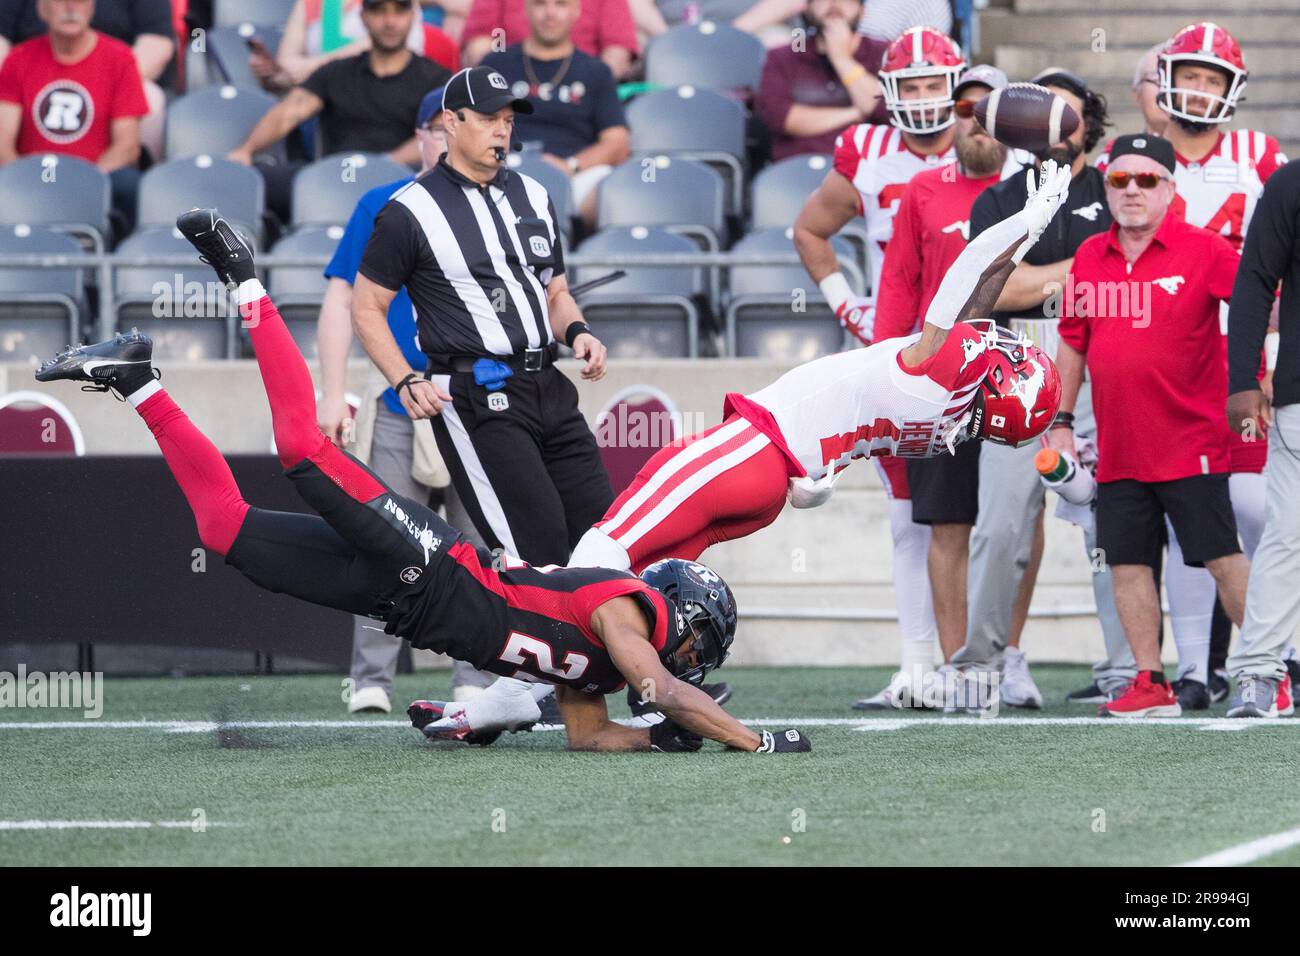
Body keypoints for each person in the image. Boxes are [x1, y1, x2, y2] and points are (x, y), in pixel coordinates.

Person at [33, 209, 810, 755]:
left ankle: (137, 382)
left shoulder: (608, 665)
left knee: (224, 530)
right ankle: (243, 277)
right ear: (668, 599)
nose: (695, 653)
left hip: (401, 602)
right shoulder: (624, 608)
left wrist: (657, 746)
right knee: (302, 446)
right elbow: (669, 691)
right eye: (701, 633)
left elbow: (591, 736)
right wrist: (753, 740)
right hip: (433, 564)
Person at [446, 159, 1070, 740]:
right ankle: (550, 689)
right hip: (775, 488)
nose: (1005, 350)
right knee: (638, 585)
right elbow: (980, 300)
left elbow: (968, 274)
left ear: (997, 384)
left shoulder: (941, 371)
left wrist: (1028, 219)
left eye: (1012, 364)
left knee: (601, 550)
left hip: (752, 450)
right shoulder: (955, 416)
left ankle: (510, 686)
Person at [1097, 22, 1289, 709]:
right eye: (1191, 76)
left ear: (1233, 89)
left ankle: (1273, 653)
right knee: (1172, 519)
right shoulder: (1135, 161)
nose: (1201, 91)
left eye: (1215, 79)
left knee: (1251, 509)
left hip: (1240, 356)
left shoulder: (1260, 154)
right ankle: (1193, 669)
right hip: (1158, 363)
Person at [353, 66, 613, 569]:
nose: (502, 131)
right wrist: (404, 378)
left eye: (509, 120)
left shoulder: (534, 194)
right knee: (537, 553)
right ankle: (536, 646)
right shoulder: (409, 210)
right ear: (451, 121)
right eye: (489, 119)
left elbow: (555, 291)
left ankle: (598, 646)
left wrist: (578, 331)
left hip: (548, 384)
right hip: (477, 393)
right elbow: (365, 306)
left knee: (603, 536)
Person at [1052, 134, 1255, 719]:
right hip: (1118, 446)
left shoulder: (1207, 250)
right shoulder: (1090, 255)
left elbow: (1258, 309)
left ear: (1170, 188)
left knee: (1220, 556)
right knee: (1127, 562)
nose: (1132, 191)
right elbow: (1072, 344)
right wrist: (1061, 422)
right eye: (1120, 180)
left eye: (1146, 180)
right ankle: (1150, 681)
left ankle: (1271, 667)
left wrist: (1257, 382)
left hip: (1192, 441)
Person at [791, 27, 964, 707]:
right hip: (899, 353)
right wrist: (848, 307)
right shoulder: (867, 150)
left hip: (974, 351)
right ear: (888, 92)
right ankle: (918, 664)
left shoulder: (985, 147)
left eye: (933, 85)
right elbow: (810, 228)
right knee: (907, 515)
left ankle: (999, 663)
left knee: (1004, 517)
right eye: (911, 86)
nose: (923, 101)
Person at [948, 69, 1122, 708]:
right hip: (1016, 368)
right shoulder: (998, 200)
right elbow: (995, 291)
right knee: (997, 527)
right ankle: (980, 664)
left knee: (1112, 528)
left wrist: (1043, 279)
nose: (1055, 123)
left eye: (1067, 112)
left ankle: (1128, 670)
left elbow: (1111, 288)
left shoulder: (1116, 189)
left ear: (1089, 124)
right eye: (1042, 110)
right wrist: (1089, 268)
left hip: (1104, 365)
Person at [315, 87, 493, 712]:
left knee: (479, 547)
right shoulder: (381, 203)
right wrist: (333, 393)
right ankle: (371, 679)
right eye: (440, 126)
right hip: (399, 392)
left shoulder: (495, 202)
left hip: (475, 394)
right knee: (388, 538)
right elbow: (342, 299)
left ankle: (478, 675)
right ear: (423, 135)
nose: (449, 137)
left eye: (462, 125)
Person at [864, 63, 1019, 708]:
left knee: (1013, 527)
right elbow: (899, 286)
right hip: (941, 378)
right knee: (946, 525)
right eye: (964, 109)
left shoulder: (1034, 187)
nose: (974, 120)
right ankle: (960, 669)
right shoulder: (923, 190)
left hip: (1016, 379)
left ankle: (1008, 658)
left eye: (989, 110)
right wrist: (886, 374)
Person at [228, 0, 452, 223]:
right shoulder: (337, 71)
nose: (389, 21)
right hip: (332, 178)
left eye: (399, 11)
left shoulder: (436, 78)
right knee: (254, 180)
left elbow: (438, 135)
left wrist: (383, 164)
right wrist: (246, 150)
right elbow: (291, 111)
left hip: (402, 183)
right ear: (363, 16)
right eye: (379, 11)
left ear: (413, 16)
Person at [1225, 159, 1300, 717]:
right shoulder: (1290, 182)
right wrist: (1242, 380)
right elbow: (1253, 278)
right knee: (1288, 533)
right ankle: (1258, 671)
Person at [0, 0, 148, 231]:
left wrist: (85, 181)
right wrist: (24, 179)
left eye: (79, 1)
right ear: (42, 9)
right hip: (32, 178)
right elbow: (3, 141)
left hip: (98, 176)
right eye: (60, 1)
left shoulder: (121, 59)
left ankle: (120, 262)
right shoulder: (17, 59)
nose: (71, 8)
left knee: (129, 185)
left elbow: (127, 146)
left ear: (92, 7)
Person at [481, 0, 629, 230]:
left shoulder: (596, 71)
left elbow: (618, 142)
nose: (550, 13)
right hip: (501, 169)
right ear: (526, 8)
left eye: (560, 4)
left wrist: (569, 166)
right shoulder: (495, 64)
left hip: (574, 173)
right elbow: (471, 128)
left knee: (615, 194)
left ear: (576, 10)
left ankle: (589, 260)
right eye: (540, 3)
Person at [0, 0, 172, 160]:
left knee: (151, 97)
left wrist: (110, 81)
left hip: (115, 73)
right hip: (29, 72)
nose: (70, 7)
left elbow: (156, 40)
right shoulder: (18, 60)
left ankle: (144, 180)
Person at [754, 0, 885, 162]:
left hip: (868, 167)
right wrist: (857, 112)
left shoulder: (884, 53)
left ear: (863, 11)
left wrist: (841, 58)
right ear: (807, 8)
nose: (834, 4)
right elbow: (780, 117)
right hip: (795, 170)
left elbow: (884, 108)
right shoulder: (784, 56)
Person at [249, 0, 459, 94]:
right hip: (326, 102)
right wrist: (271, 75)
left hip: (389, 97)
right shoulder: (311, 2)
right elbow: (288, 67)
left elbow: (402, 48)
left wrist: (313, 67)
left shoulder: (392, 5)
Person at [460, 0, 637, 81]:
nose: (550, 12)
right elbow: (480, 43)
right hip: (510, 82)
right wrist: (501, 76)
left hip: (580, 85)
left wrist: (591, 85)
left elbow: (616, 52)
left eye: (560, 3)